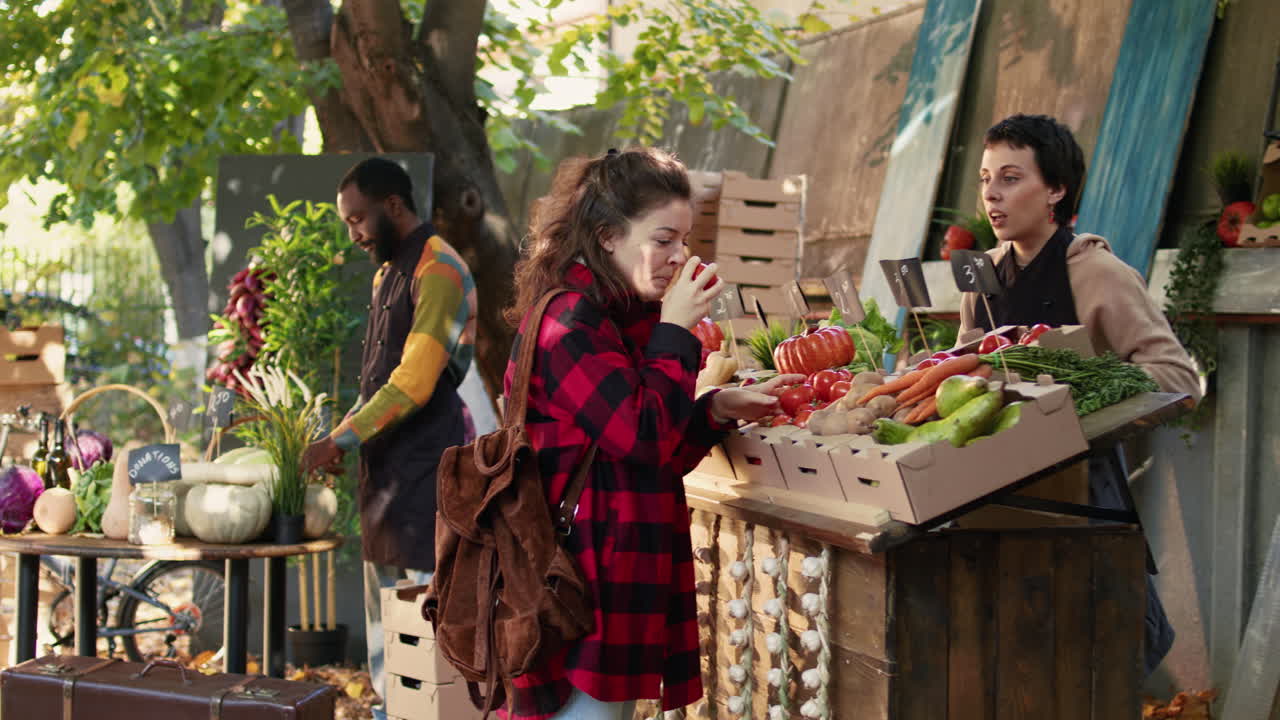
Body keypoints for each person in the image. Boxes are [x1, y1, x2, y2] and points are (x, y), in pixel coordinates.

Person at [502, 147, 802, 720]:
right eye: (663, 240)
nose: (679, 257)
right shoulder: (568, 324)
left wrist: (715, 410)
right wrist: (676, 330)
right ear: (607, 235)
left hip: (614, 575)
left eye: (685, 241)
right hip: (579, 583)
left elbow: (653, 450)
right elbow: (642, 434)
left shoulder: (621, 317)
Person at [958, 113, 1201, 675]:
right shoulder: (984, 272)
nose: (992, 194)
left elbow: (1177, 377)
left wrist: (1083, 397)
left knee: (1093, 664)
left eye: (1011, 178)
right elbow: (967, 355)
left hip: (1082, 499)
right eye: (985, 178)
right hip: (990, 493)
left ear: (1057, 189)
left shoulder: (1100, 273)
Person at [300, 157, 477, 720]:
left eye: (357, 219)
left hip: (428, 467)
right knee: (383, 608)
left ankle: (430, 710)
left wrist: (340, 441)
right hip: (384, 471)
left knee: (426, 609)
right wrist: (338, 439)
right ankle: (388, 709)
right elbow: (376, 381)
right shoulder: (386, 274)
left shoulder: (439, 269)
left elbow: (415, 380)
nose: (352, 233)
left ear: (393, 206)